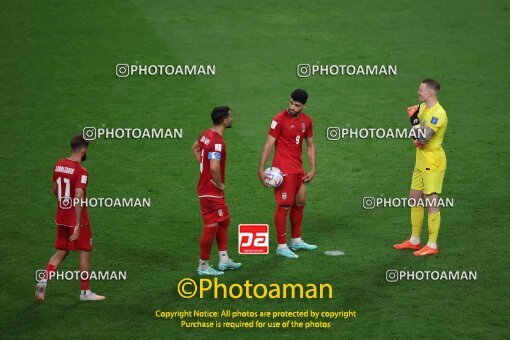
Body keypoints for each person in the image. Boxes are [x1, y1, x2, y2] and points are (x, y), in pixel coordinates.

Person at [35, 135, 105, 301]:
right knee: (85, 251)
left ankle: (43, 280)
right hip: (76, 218)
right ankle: (85, 293)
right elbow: (79, 195)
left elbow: (54, 189)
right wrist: (77, 222)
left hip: (61, 216)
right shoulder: (82, 171)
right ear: (83, 150)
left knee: (62, 249)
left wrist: (64, 204)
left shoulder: (59, 164)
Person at [258, 89, 317, 259]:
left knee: (300, 202)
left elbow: (310, 145)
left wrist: (313, 168)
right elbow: (269, 144)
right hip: (283, 170)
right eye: (291, 102)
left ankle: (296, 240)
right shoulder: (279, 119)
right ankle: (281, 246)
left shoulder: (307, 121)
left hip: (298, 168)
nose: (292, 107)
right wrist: (261, 169)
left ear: (304, 106)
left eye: (297, 105)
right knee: (284, 206)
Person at [394, 79, 448, 256]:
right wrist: (416, 128)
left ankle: (432, 245)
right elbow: (415, 138)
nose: (418, 92)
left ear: (430, 93)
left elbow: (423, 139)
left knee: (431, 200)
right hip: (420, 161)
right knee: (414, 197)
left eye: (421, 90)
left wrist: (414, 121)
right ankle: (415, 240)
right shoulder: (423, 107)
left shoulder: (438, 114)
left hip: (433, 162)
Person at [192, 106, 241, 275]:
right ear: (225, 120)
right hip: (211, 192)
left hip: (206, 189)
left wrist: (202, 167)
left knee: (224, 221)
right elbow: (214, 167)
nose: (232, 119)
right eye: (230, 116)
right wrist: (219, 184)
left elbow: (195, 148)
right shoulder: (218, 143)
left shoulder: (206, 134)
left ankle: (224, 259)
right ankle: (203, 266)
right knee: (210, 227)